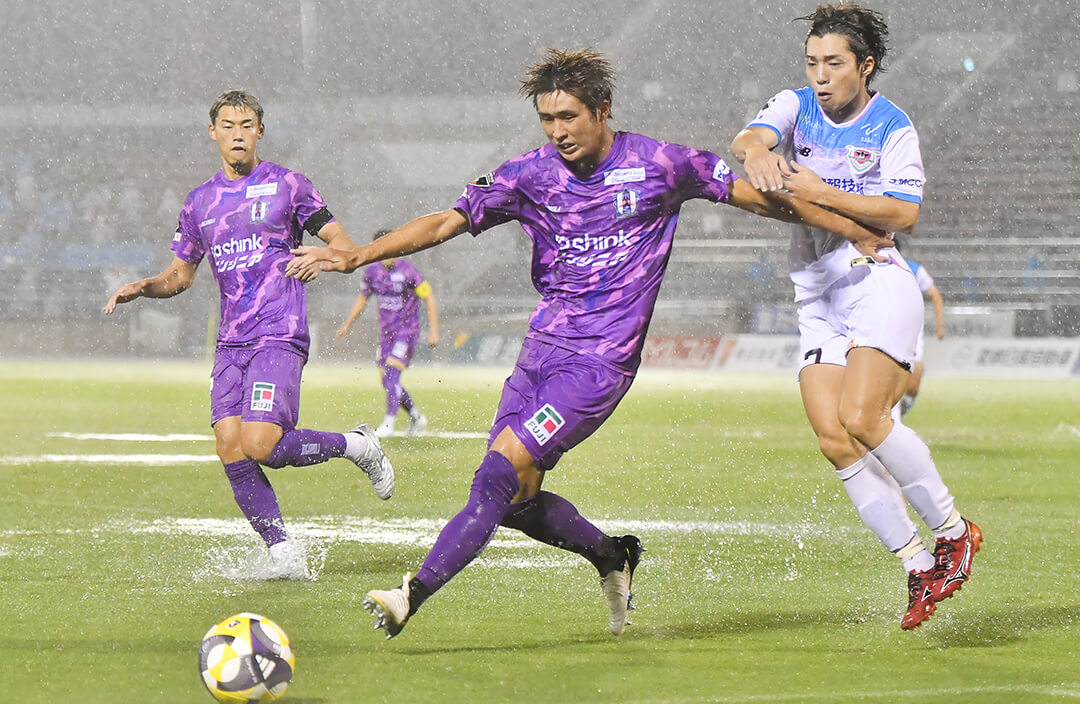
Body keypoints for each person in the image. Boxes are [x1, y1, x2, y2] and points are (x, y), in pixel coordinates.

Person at [287, 49, 889, 638]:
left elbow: (760, 199)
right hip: (539, 354)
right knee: (515, 500)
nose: (557, 132)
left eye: (568, 117)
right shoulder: (529, 175)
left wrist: (853, 227)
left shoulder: (660, 164)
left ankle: (409, 596)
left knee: (497, 476)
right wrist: (361, 253)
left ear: (602, 110)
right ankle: (611, 555)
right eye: (547, 120)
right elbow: (449, 219)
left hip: (597, 365)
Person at [730, 3, 981, 630]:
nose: (820, 75)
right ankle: (920, 565)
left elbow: (902, 215)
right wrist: (755, 152)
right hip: (816, 296)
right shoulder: (795, 105)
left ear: (865, 66)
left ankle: (954, 531)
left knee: (863, 417)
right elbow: (747, 139)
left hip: (875, 281)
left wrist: (817, 190)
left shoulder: (893, 126)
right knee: (835, 437)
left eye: (834, 63)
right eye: (813, 62)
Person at [103, 90, 395, 580]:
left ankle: (357, 445)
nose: (237, 133)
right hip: (231, 341)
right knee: (231, 448)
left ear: (260, 131)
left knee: (262, 444)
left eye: (247, 124)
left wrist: (319, 257)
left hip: (278, 332)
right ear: (212, 132)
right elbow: (181, 275)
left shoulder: (288, 185)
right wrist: (145, 287)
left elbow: (343, 246)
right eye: (228, 124)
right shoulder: (200, 203)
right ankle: (283, 552)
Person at [336, 230, 439, 437]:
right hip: (386, 336)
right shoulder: (372, 272)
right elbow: (362, 298)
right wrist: (347, 324)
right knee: (387, 381)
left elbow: (429, 297)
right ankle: (417, 417)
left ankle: (388, 424)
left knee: (392, 374)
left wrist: (434, 331)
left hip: (406, 332)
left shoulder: (409, 271)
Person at [891, 237, 945, 418]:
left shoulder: (914, 270)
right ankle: (891, 420)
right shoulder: (876, 268)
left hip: (913, 332)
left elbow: (935, 294)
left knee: (912, 386)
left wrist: (939, 323)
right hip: (888, 330)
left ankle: (900, 413)